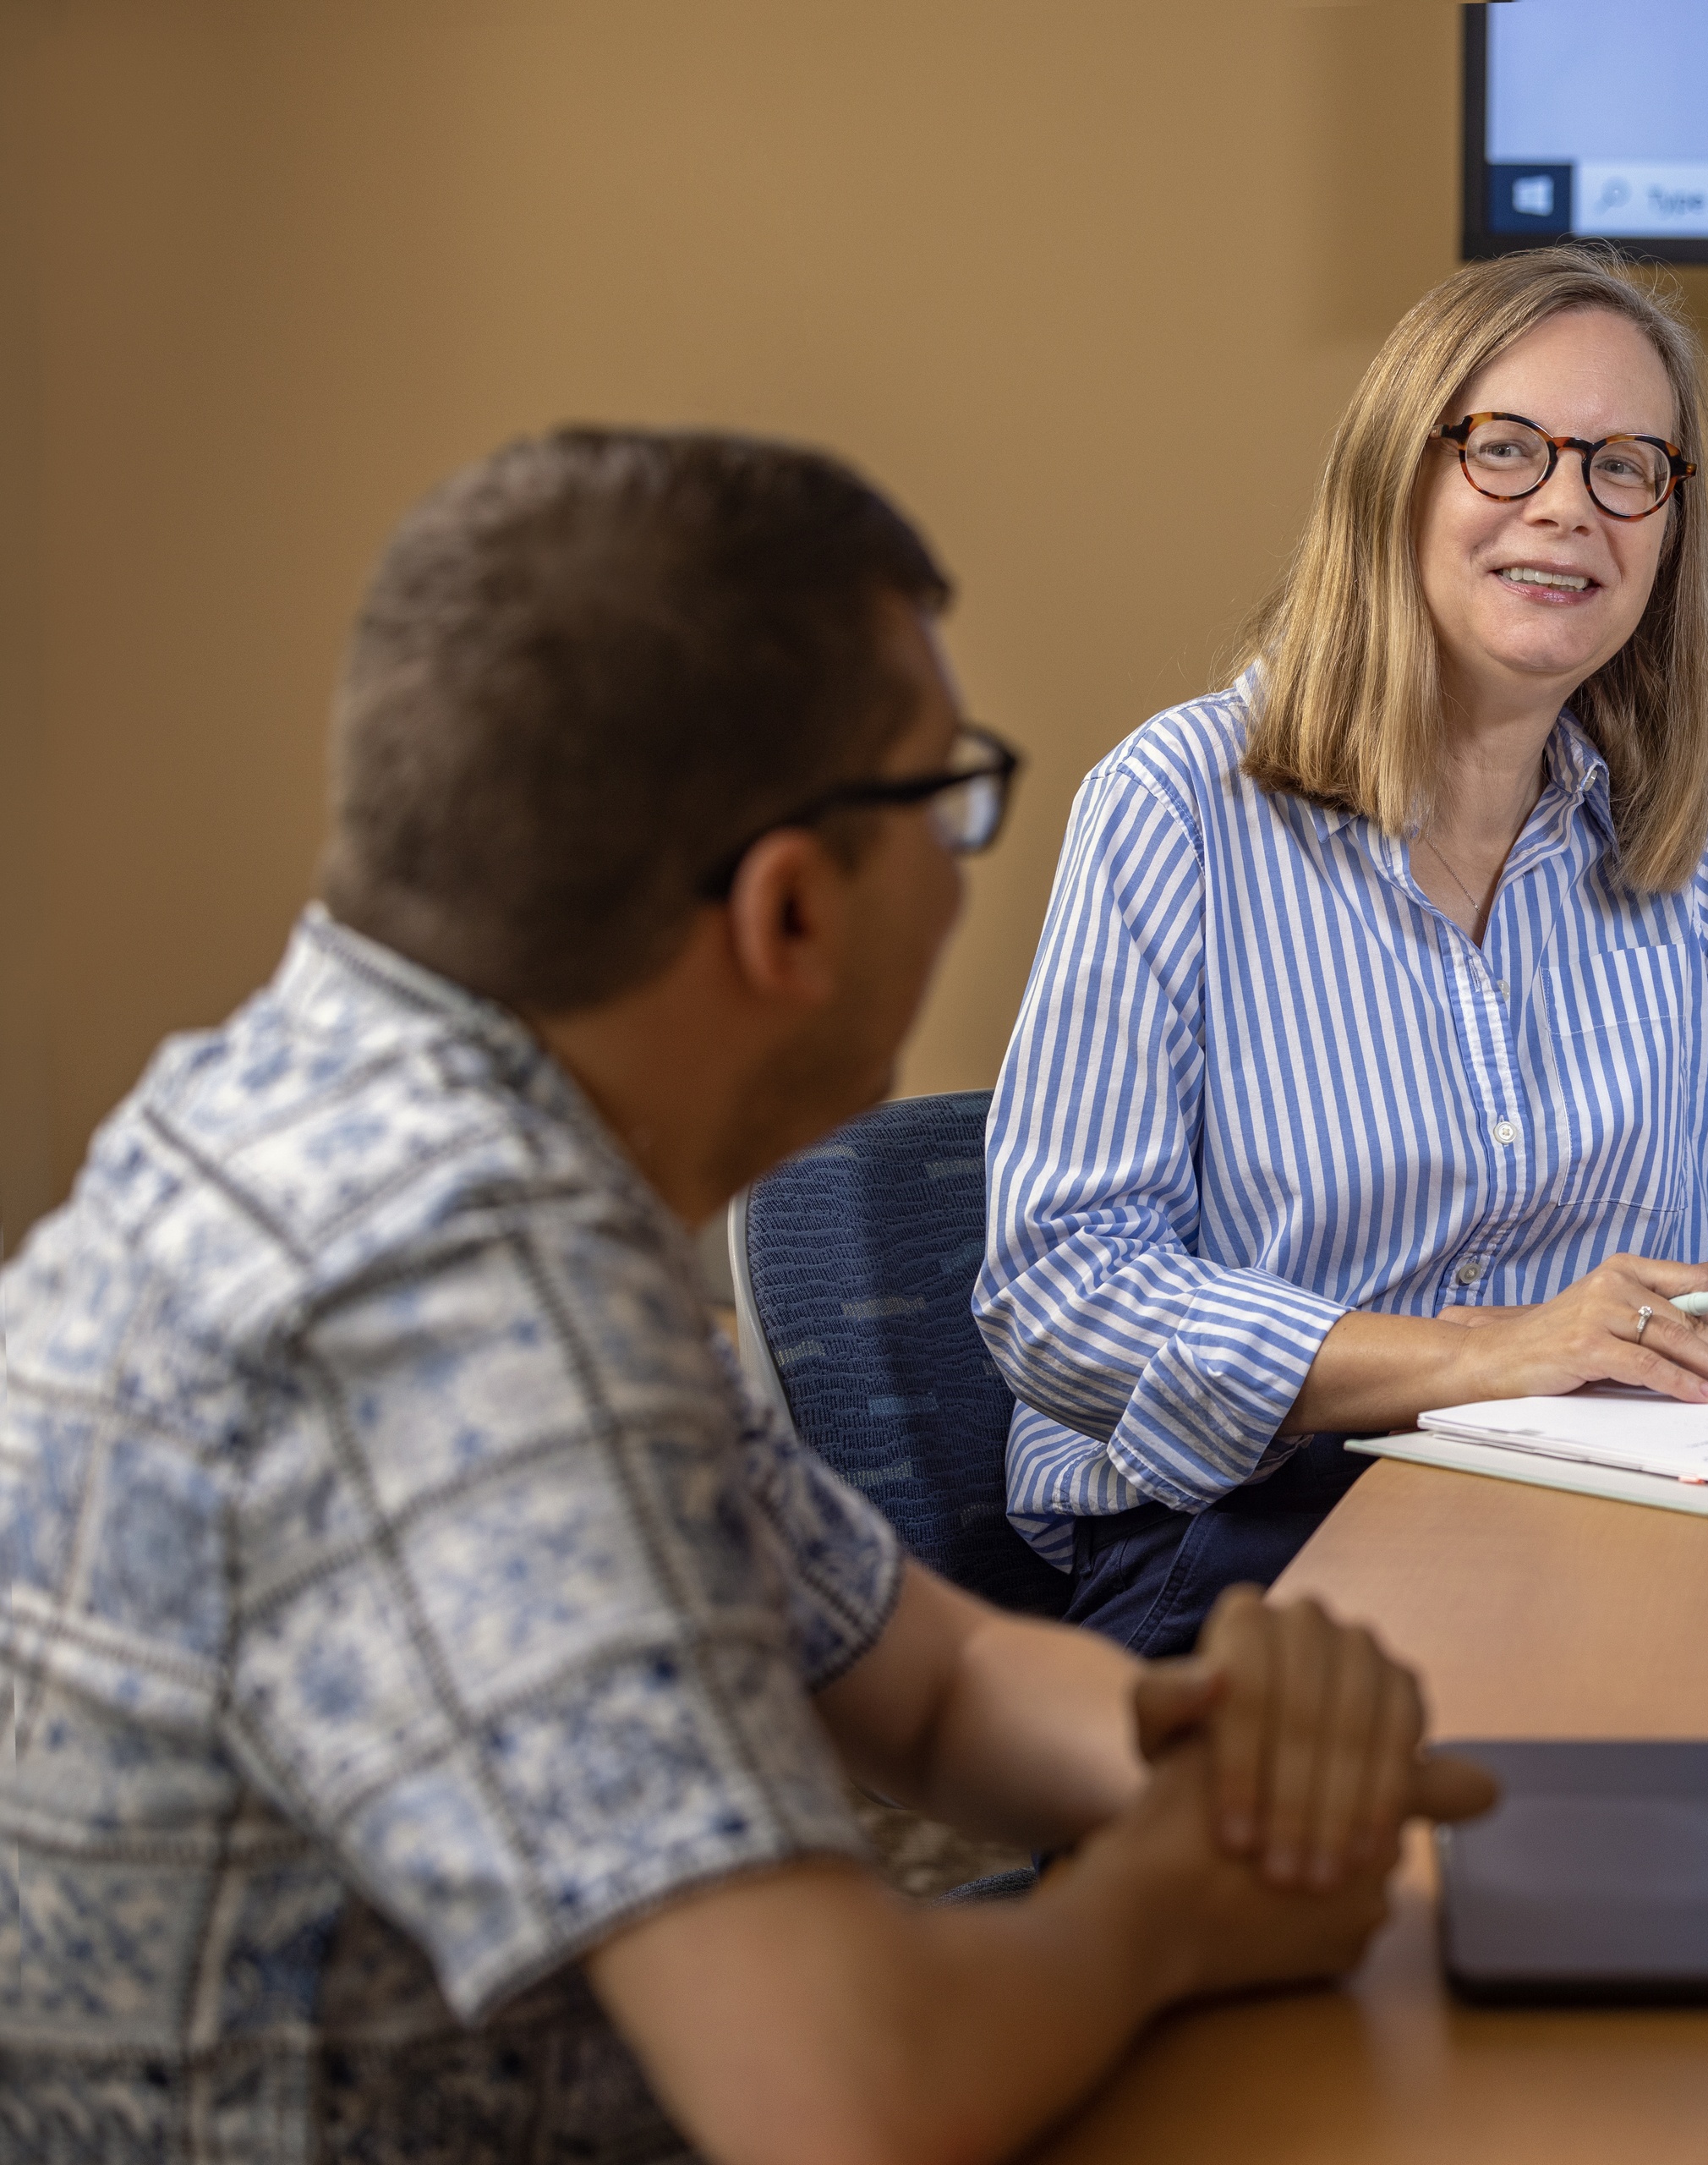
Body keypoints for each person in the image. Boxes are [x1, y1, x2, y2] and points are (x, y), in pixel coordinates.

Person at [0, 430, 1492, 2165]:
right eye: (950, 799)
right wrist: (1166, 1909)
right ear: (789, 909)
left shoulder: (321, 1109)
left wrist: (1212, 1750)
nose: (964, 857)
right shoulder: (460, 1301)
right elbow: (842, 2095)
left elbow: (927, 1684)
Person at [980, 244, 1708, 1654]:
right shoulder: (1176, 804)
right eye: (1508, 449)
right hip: (1259, 1538)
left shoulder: (1683, 838)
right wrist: (1490, 1354)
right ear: (1392, 479)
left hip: (1610, 1507)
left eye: (1623, 467)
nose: (1566, 508)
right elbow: (1062, 1286)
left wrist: (1646, 1322)